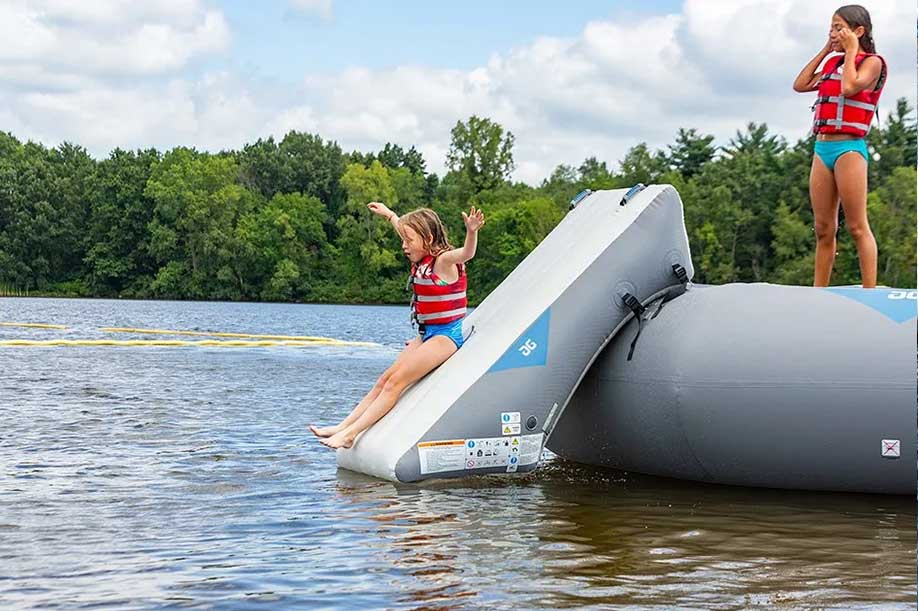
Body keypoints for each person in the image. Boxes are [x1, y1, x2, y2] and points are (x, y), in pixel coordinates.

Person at [310, 203, 485, 449]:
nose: (403, 246)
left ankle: (351, 435)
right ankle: (343, 427)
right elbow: (403, 228)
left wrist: (472, 231)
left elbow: (467, 254)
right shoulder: (421, 256)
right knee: (384, 380)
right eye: (403, 239)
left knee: (395, 383)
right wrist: (390, 215)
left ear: (428, 238)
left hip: (447, 335)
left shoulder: (443, 261)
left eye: (408, 241)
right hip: (427, 334)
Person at [792, 4, 886, 288]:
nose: (833, 33)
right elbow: (800, 84)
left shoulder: (872, 62)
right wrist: (825, 50)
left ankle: (870, 291)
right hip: (822, 150)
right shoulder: (832, 65)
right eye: (830, 28)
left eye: (838, 28)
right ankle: (818, 292)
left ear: (859, 31)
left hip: (849, 150)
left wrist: (850, 50)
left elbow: (849, 87)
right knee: (823, 229)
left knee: (857, 227)